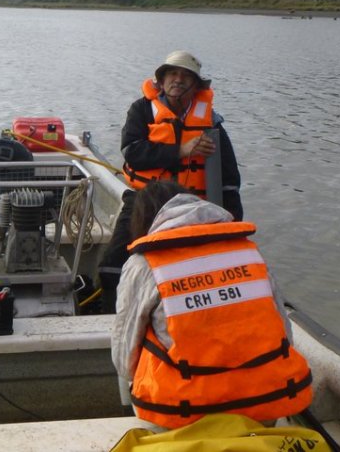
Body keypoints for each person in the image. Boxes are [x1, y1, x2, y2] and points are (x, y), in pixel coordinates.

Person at [110, 180, 312, 429]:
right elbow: (284, 334)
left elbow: (125, 356)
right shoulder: (248, 253)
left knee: (134, 336)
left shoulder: (143, 264)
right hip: (265, 402)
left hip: (184, 413)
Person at [97, 50, 243, 308]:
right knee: (111, 266)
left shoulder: (211, 123)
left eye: (186, 76)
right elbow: (133, 153)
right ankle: (114, 314)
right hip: (146, 199)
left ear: (196, 86)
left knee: (197, 269)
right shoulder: (142, 110)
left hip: (192, 206)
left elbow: (229, 180)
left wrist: (233, 225)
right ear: (162, 81)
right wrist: (181, 150)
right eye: (172, 74)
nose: (178, 80)